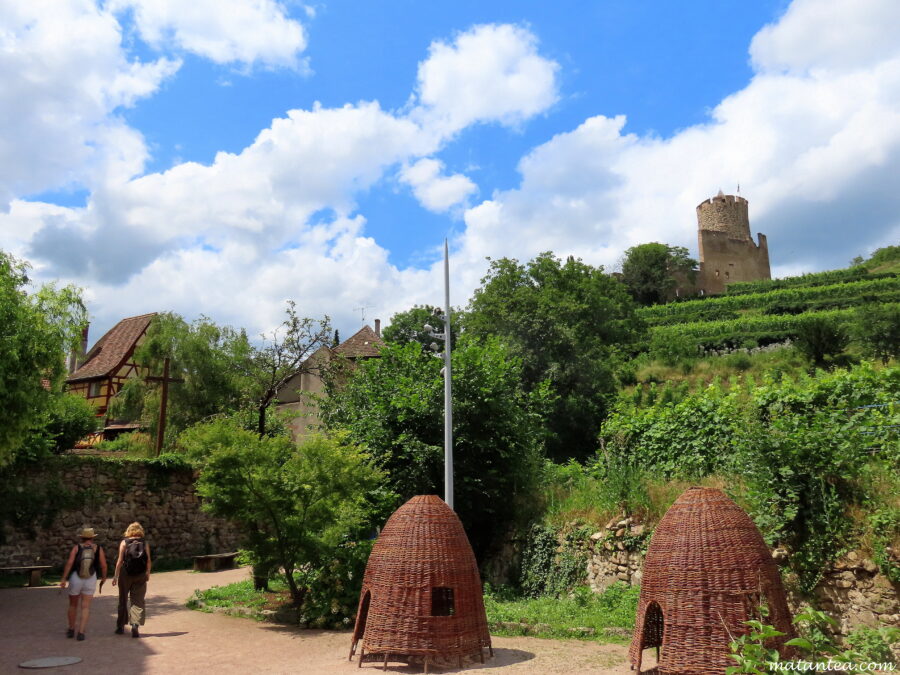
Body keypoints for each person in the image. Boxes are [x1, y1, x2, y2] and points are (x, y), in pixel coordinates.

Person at [60, 527, 107, 641]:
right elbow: (103, 565)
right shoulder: (98, 548)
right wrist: (104, 578)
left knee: (73, 605)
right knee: (85, 606)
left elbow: (70, 563)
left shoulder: (77, 548)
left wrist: (63, 578)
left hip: (77, 577)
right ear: (92, 537)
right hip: (91, 578)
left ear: (82, 537)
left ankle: (71, 629)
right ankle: (81, 632)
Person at [113, 521, 151, 638]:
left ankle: (120, 627)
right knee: (138, 600)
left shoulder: (124, 542)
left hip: (126, 573)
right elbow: (148, 560)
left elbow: (120, 561)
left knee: (123, 599)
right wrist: (148, 573)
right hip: (140, 574)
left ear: (129, 531)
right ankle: (135, 624)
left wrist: (115, 576)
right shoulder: (145, 543)